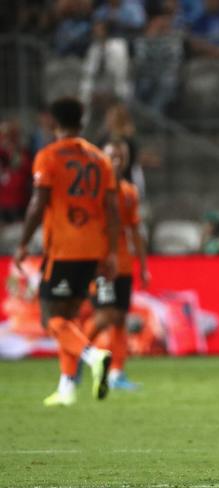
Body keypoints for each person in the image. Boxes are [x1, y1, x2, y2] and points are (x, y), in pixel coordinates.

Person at [13, 97, 119, 406]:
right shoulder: (100, 158)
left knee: (50, 320)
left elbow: (38, 203)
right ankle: (66, 388)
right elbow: (111, 211)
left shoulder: (48, 156)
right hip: (94, 248)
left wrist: (22, 243)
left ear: (51, 121)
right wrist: (110, 252)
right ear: (82, 121)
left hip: (63, 249)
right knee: (69, 317)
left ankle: (93, 355)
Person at [82, 139, 150, 390]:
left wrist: (143, 266)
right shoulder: (92, 193)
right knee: (104, 315)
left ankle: (117, 373)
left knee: (120, 318)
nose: (116, 162)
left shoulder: (128, 192)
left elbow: (135, 233)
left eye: (120, 157)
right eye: (111, 156)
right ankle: (78, 355)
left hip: (123, 265)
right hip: (101, 265)